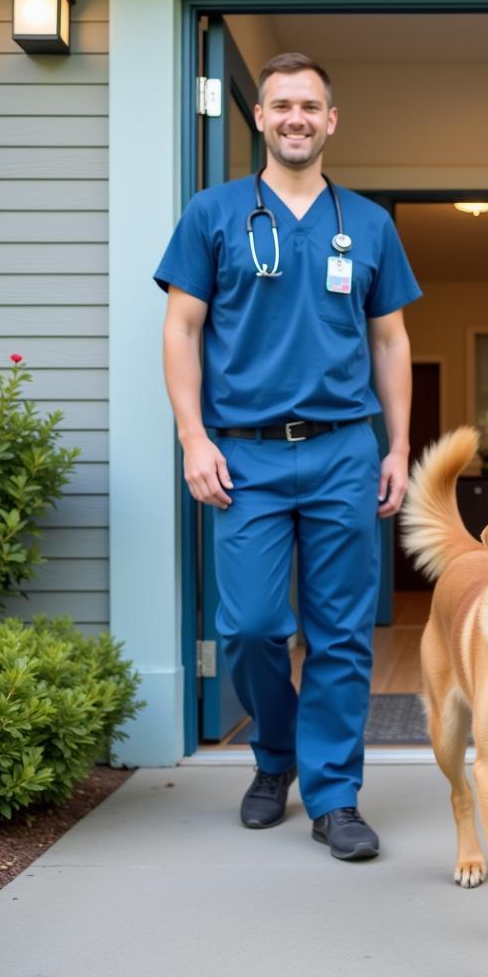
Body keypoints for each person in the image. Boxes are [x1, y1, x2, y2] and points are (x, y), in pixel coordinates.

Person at [155, 52, 420, 861]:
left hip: (344, 449)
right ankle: (276, 759)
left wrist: (400, 446)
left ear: (330, 121)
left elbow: (391, 338)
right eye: (281, 105)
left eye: (311, 105)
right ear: (260, 119)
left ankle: (334, 796)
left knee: (341, 634)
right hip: (247, 456)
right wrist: (193, 435)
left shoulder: (368, 223)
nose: (296, 117)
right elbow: (182, 329)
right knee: (252, 626)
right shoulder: (214, 213)